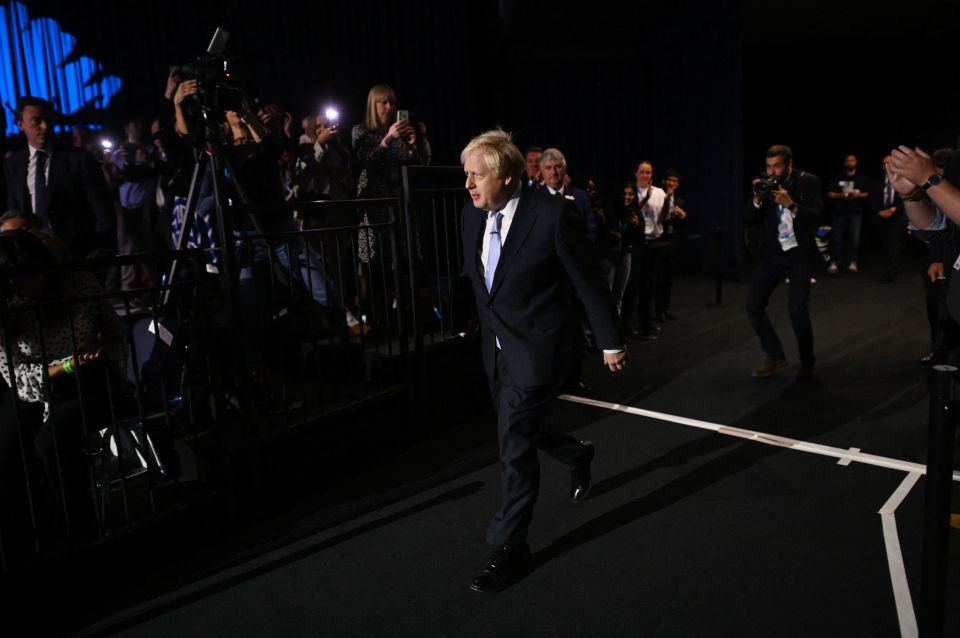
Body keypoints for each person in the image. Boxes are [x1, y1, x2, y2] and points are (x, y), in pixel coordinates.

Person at [458, 130, 627, 593]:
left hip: (537, 350)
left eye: (477, 175)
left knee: (513, 441)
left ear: (507, 176)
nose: (469, 184)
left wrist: (610, 340)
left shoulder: (554, 215)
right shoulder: (471, 216)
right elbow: (478, 284)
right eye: (466, 175)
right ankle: (578, 454)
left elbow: (589, 282)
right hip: (496, 350)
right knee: (523, 428)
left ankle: (511, 547)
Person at [744, 145, 823, 381]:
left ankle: (807, 364)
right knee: (753, 305)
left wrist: (791, 204)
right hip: (772, 255)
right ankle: (775, 355)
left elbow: (817, 217)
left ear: (789, 163)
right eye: (769, 166)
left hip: (799, 255)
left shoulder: (807, 181)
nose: (772, 171)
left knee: (797, 312)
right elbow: (746, 219)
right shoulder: (764, 183)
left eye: (777, 165)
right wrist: (757, 199)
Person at [3, 96, 114, 259]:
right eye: (36, 121)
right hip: (31, 257)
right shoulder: (13, 165)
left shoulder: (79, 159)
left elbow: (102, 206)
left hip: (77, 254)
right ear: (21, 124)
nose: (45, 126)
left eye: (48, 120)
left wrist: (103, 247)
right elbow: (13, 210)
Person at [825, 154, 870, 273]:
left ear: (856, 162)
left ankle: (852, 262)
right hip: (839, 212)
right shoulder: (837, 177)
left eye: (852, 160)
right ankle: (836, 262)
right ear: (845, 163)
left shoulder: (861, 178)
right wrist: (841, 195)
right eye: (847, 160)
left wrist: (857, 195)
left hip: (856, 212)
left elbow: (867, 194)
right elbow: (829, 194)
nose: (850, 162)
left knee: (854, 239)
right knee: (837, 239)